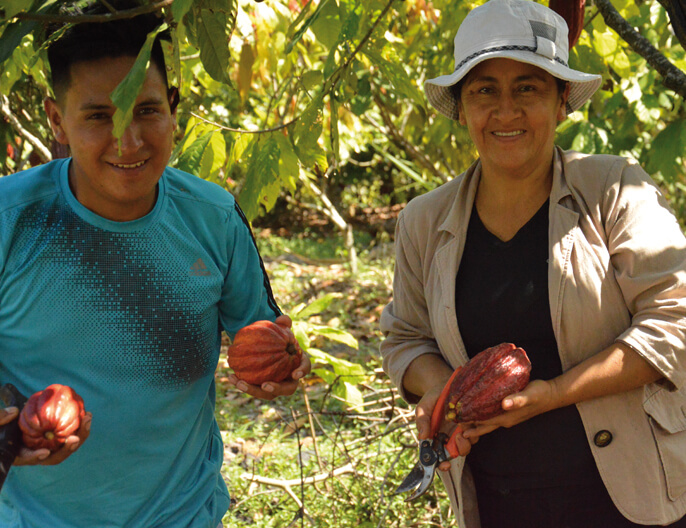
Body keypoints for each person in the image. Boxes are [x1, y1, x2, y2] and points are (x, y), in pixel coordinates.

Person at [0, 4, 310, 527]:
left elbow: (262, 337)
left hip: (183, 513)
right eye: (99, 116)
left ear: (172, 106)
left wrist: (283, 369)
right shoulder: (11, 221)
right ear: (57, 120)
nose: (129, 142)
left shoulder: (212, 218)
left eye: (145, 110)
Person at [380, 1, 686, 526]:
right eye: (484, 91)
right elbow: (405, 338)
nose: (505, 111)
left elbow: (674, 320)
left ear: (561, 101)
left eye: (528, 88)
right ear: (461, 107)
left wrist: (554, 394)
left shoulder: (615, 189)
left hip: (633, 498)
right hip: (499, 502)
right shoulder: (424, 221)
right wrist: (443, 393)